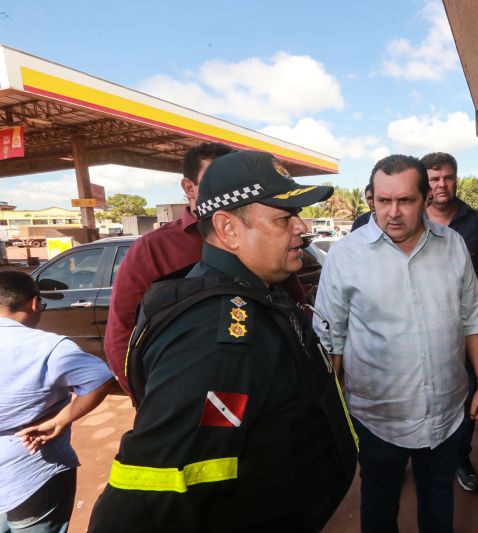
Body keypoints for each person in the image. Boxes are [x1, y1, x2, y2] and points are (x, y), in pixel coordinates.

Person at [88, 151, 358, 532]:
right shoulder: (220, 337)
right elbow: (149, 491)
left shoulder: (262, 292)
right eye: (284, 218)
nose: (302, 227)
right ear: (228, 229)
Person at [313, 154, 478, 533]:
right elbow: (332, 339)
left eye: (405, 201)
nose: (393, 212)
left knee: (438, 502)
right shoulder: (345, 256)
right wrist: (330, 411)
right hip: (377, 419)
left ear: (425, 199)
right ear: (372, 200)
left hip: (446, 412)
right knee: (378, 507)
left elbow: (473, 317)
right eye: (383, 201)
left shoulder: (454, 245)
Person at [104, 142, 233, 395]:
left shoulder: (257, 238)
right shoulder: (152, 249)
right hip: (183, 392)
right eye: (216, 180)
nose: (227, 190)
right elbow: (121, 333)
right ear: (189, 187)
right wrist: (147, 398)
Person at [1, 271, 115, 533]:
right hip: (33, 475)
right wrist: (61, 420)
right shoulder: (49, 347)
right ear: (34, 303)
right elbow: (100, 379)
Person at [422, 151, 478, 493]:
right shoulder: (410, 217)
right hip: (416, 326)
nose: (441, 184)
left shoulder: (477, 224)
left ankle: (460, 457)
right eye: (434, 178)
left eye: (447, 177)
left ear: (456, 179)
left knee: (468, 390)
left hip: (464, 327)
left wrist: (455, 294)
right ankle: (415, 453)